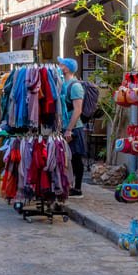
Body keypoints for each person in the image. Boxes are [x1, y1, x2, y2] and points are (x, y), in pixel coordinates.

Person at [58, 57, 87, 197]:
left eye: (61, 65)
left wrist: (69, 129)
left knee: (76, 158)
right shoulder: (63, 83)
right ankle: (68, 184)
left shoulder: (75, 86)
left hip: (74, 128)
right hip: (64, 126)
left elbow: (78, 110)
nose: (59, 66)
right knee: (66, 158)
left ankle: (78, 188)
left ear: (67, 68)